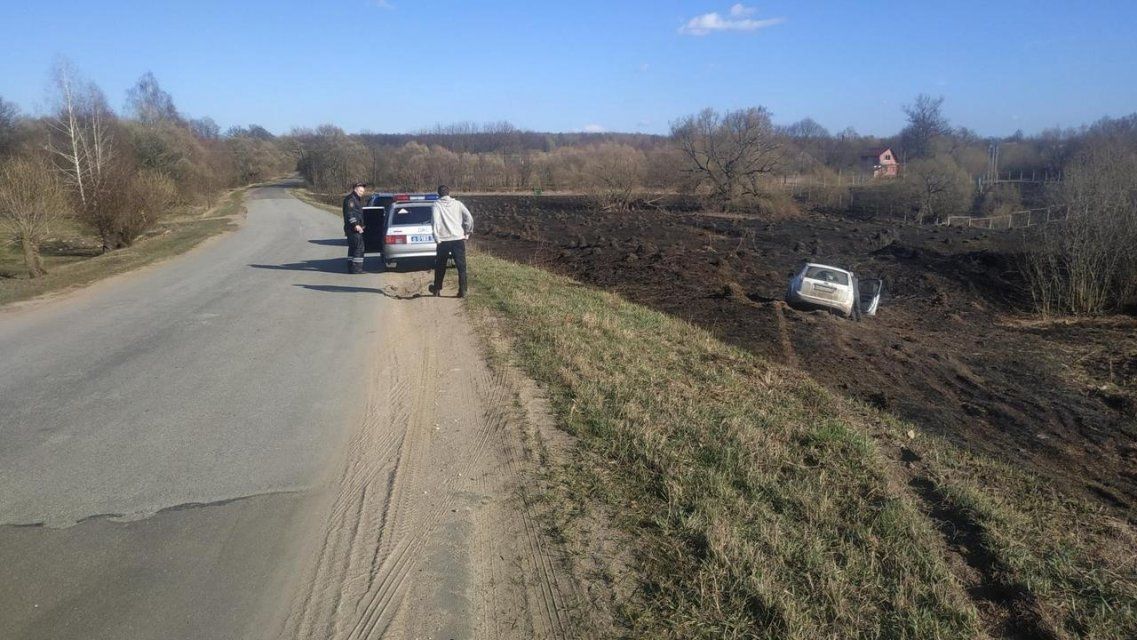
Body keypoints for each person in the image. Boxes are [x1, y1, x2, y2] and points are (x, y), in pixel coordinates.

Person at [428, 185, 473, 297]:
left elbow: (435, 222)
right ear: (449, 193)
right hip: (458, 238)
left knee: (440, 266)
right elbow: (469, 217)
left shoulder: (436, 205)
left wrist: (436, 237)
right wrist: (467, 232)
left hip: (443, 240)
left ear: (438, 194)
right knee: (461, 266)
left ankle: (437, 289)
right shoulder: (458, 204)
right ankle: (463, 290)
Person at [342, 182, 367, 274]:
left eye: (363, 191)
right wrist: (356, 224)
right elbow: (350, 214)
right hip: (353, 229)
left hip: (352, 228)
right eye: (360, 191)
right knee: (358, 247)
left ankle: (351, 267)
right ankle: (356, 269)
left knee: (353, 248)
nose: (362, 193)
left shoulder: (356, 199)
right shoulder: (351, 200)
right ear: (355, 189)